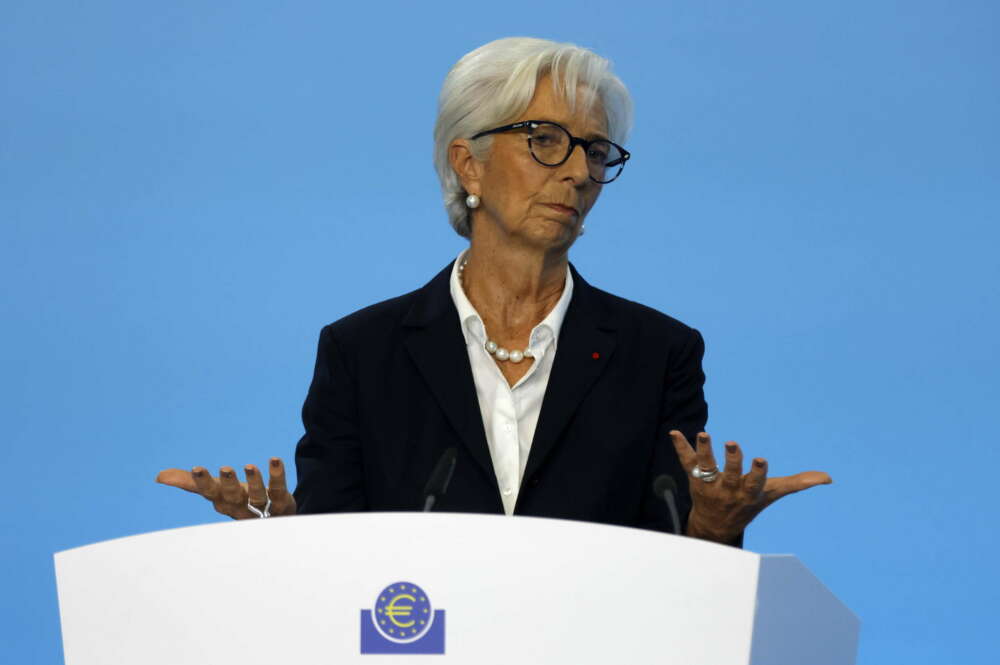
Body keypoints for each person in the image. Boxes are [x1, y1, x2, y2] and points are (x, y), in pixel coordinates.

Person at [157, 37, 831, 545]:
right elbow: (338, 550)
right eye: (545, 140)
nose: (577, 172)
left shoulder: (658, 353)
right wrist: (282, 535)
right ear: (466, 160)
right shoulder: (363, 352)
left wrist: (712, 527)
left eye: (596, 152)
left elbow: (670, 562)